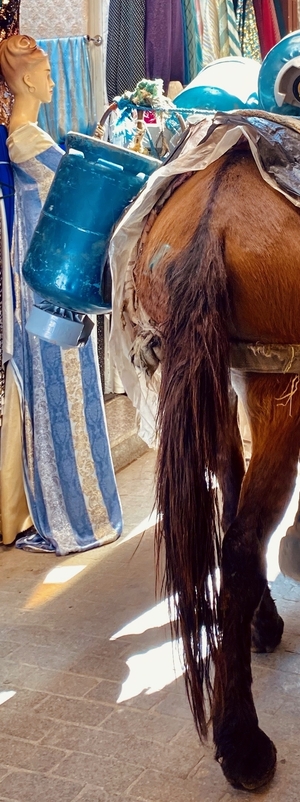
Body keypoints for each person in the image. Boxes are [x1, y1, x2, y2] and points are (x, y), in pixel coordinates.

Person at [0, 35, 122, 553]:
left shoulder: (29, 135)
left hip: (51, 278)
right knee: (59, 390)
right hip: (45, 285)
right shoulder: (26, 138)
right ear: (27, 79)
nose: (52, 81)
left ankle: (60, 508)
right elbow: (77, 182)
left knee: (62, 386)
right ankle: (74, 515)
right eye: (47, 73)